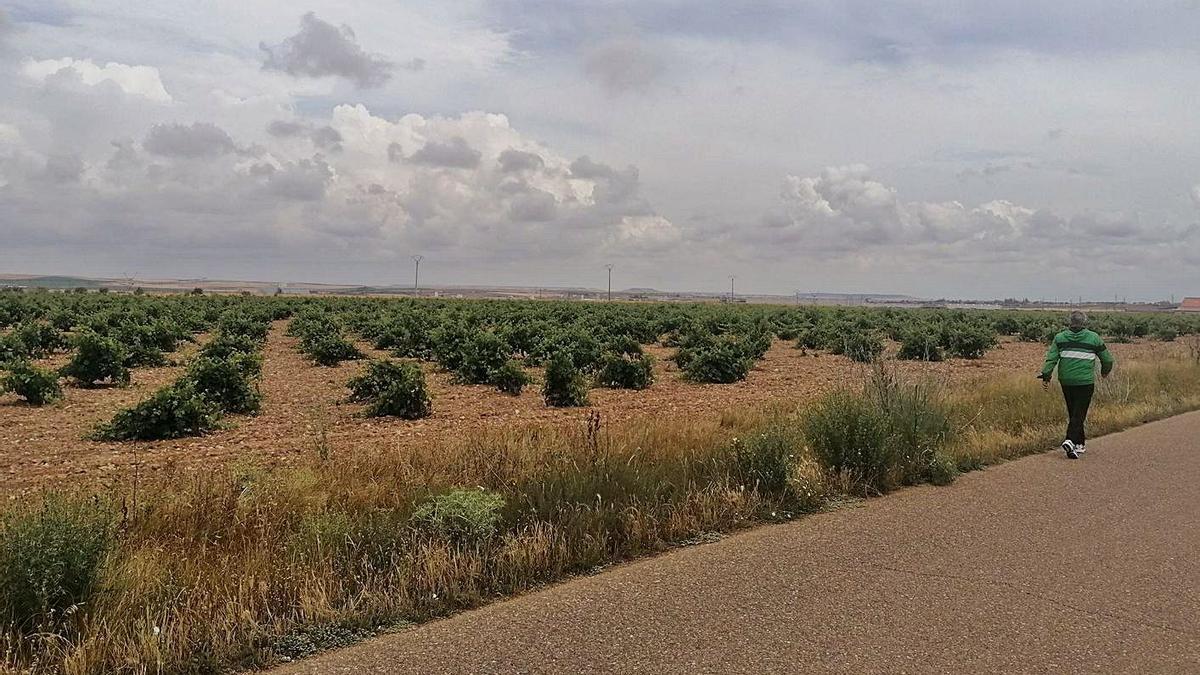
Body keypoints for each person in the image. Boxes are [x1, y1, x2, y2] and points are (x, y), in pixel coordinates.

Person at [1039, 311, 1115, 459]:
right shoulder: (1094, 338)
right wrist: (1105, 372)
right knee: (1079, 412)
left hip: (1066, 381)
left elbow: (1051, 359)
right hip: (1085, 381)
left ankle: (1079, 444)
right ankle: (1069, 439)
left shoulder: (1060, 338)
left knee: (1073, 410)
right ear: (1084, 323)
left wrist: (1046, 376)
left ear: (1070, 322)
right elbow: (1108, 359)